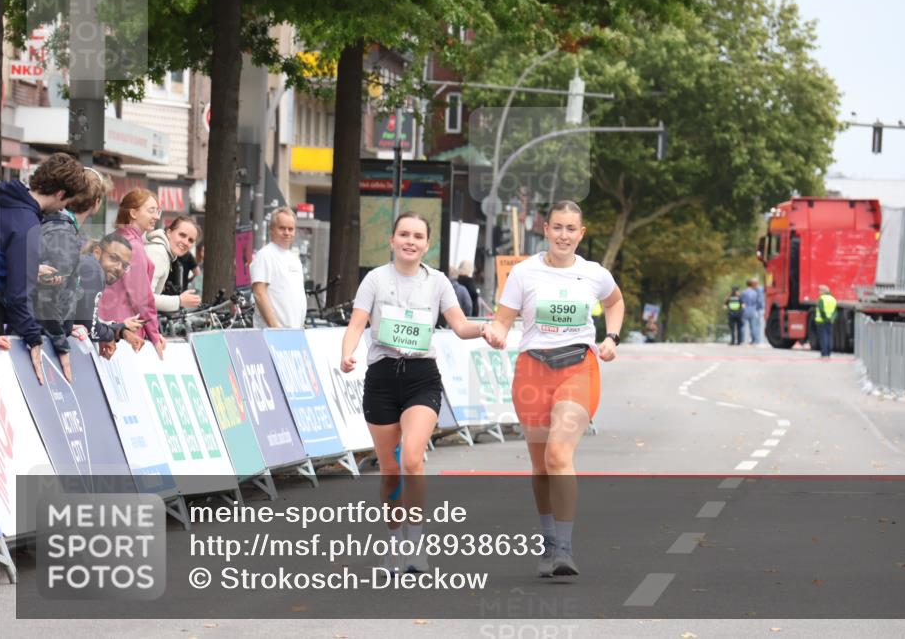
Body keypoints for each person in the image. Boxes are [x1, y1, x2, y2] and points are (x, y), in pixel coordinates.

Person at [340, 211, 501, 575]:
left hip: (421, 377)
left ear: (427, 244)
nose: (410, 241)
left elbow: (459, 326)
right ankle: (393, 547)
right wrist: (347, 354)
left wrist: (485, 331)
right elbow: (356, 324)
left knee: (413, 458)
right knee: (391, 470)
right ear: (392, 240)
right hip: (381, 377)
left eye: (417, 236)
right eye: (404, 235)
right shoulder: (375, 280)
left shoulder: (439, 282)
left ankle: (416, 545)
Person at [487, 200, 625, 578]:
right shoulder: (523, 273)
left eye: (571, 229)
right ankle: (549, 542)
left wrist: (611, 337)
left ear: (581, 234)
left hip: (579, 367)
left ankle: (563, 548)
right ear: (545, 229)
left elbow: (615, 302)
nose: (564, 235)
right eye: (558, 227)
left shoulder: (594, 274)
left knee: (558, 454)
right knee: (540, 465)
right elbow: (503, 322)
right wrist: (495, 334)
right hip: (532, 372)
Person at [0, 152, 87, 384]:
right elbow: (18, 297)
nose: (64, 208)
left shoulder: (5, 201)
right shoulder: (27, 224)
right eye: (66, 202)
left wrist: (25, 268)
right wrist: (34, 338)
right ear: (60, 193)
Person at [32, 167, 109, 365]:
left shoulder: (58, 226)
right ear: (96, 203)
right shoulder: (62, 233)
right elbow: (47, 299)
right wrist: (61, 341)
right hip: (42, 344)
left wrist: (67, 326)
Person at [100, 188, 166, 359]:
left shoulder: (114, 239)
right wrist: (155, 334)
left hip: (108, 329)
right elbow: (142, 297)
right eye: (151, 210)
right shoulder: (132, 246)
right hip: (126, 333)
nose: (156, 217)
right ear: (133, 213)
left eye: (158, 211)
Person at [75, 232, 144, 359]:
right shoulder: (94, 270)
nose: (119, 268)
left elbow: (87, 320)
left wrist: (120, 330)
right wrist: (112, 334)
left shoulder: (89, 266)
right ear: (97, 252)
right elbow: (91, 328)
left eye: (124, 265)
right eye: (114, 258)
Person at [251, 207, 306, 329]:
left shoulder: (295, 259)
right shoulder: (265, 255)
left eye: (290, 229)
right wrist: (275, 328)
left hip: (294, 333)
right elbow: (259, 293)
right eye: (282, 228)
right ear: (271, 229)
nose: (287, 232)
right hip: (273, 335)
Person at [145, 215, 202, 313]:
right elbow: (145, 298)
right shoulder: (159, 253)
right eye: (182, 235)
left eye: (190, 240)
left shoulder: (163, 252)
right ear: (169, 232)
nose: (185, 242)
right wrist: (180, 301)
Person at [814, 284, 837, 358]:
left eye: (820, 290)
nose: (819, 292)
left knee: (823, 337)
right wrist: (832, 318)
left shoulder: (822, 299)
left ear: (823, 291)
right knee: (829, 336)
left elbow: (821, 310)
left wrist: (825, 318)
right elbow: (835, 311)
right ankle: (829, 352)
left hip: (821, 321)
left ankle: (824, 353)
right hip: (830, 321)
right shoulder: (833, 299)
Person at [742, 278, 762, 345]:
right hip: (753, 310)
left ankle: (742, 340)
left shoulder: (744, 292)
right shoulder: (755, 293)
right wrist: (759, 308)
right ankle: (755, 341)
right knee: (754, 326)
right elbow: (759, 302)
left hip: (745, 310)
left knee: (743, 326)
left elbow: (742, 302)